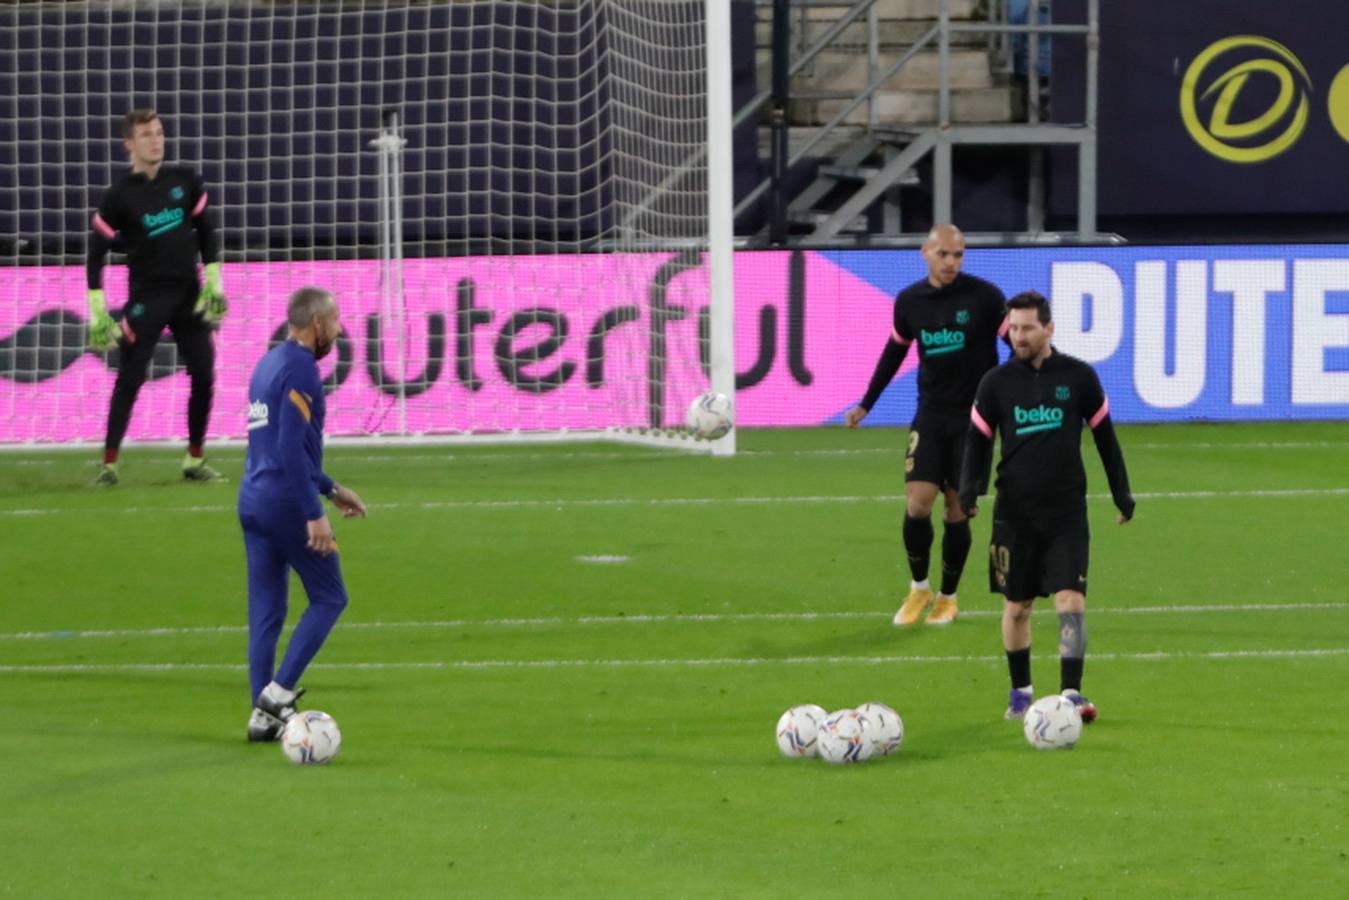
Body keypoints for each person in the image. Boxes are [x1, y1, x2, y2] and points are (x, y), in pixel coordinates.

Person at [957, 290, 1134, 724]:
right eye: (1013, 328)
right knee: (1017, 607)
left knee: (1071, 601)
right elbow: (977, 443)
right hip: (1013, 514)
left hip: (1066, 514)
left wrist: (1121, 493)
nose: (1018, 336)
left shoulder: (1078, 378)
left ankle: (1071, 693)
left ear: (1049, 328)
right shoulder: (995, 383)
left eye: (1027, 328)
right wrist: (969, 491)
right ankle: (1021, 694)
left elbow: (1105, 439)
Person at [846, 224, 1008, 627]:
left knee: (957, 513)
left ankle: (948, 598)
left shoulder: (985, 297)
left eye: (958, 255)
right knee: (918, 503)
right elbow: (894, 353)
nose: (951, 262)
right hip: (931, 416)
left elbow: (1018, 343)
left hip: (974, 423)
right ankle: (919, 587)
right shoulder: (909, 302)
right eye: (944, 254)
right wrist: (867, 402)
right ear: (925, 253)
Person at [238, 286, 367, 742]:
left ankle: (262, 718)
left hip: (252, 500)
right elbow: (290, 448)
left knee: (267, 613)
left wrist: (331, 489)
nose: (337, 328)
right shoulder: (302, 371)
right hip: (286, 504)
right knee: (331, 597)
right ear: (316, 323)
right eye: (334, 319)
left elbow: (276, 448)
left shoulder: (267, 365)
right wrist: (314, 513)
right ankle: (278, 694)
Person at [87, 108, 228, 485]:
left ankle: (194, 459)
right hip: (148, 297)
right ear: (129, 144)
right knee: (131, 376)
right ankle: (110, 464)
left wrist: (215, 283)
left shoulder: (185, 180)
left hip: (189, 295)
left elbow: (207, 234)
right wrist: (98, 311)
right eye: (147, 134)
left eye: (160, 132)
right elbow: (95, 254)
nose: (156, 140)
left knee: (204, 371)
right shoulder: (119, 196)